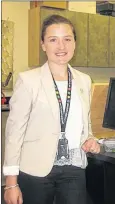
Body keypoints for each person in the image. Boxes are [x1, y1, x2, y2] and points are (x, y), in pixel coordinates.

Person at [3, 14, 100, 204]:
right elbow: (14, 135)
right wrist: (11, 183)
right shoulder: (28, 80)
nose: (61, 47)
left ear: (74, 43)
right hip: (35, 169)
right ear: (43, 45)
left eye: (67, 39)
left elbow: (84, 124)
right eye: (53, 40)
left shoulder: (84, 80)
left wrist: (90, 139)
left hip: (73, 166)